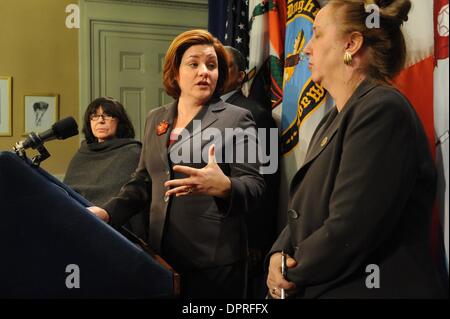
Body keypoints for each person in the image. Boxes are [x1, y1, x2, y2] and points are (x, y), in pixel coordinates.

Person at [267, 0, 447, 298]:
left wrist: (288, 274)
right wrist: (277, 255)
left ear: (351, 43)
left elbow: (349, 229)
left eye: (318, 34)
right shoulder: (333, 119)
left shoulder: (382, 110)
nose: (306, 48)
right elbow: (305, 213)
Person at [88, 29, 265, 298]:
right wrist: (108, 213)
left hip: (214, 263)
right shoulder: (155, 118)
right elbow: (143, 181)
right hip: (162, 257)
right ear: (175, 73)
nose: (204, 71)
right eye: (193, 64)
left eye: (212, 65)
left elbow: (255, 186)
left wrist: (225, 186)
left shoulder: (238, 118)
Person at [222, 45, 280, 298]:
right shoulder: (198, 111)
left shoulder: (256, 114)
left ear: (241, 76)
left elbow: (267, 179)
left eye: (225, 66)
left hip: (242, 235)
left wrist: (257, 239)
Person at [64, 97, 147, 240]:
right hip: (76, 223)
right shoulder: (82, 153)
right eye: (94, 116)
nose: (100, 121)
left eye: (108, 115)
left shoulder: (133, 152)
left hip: (114, 230)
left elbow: (133, 197)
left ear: (120, 121)